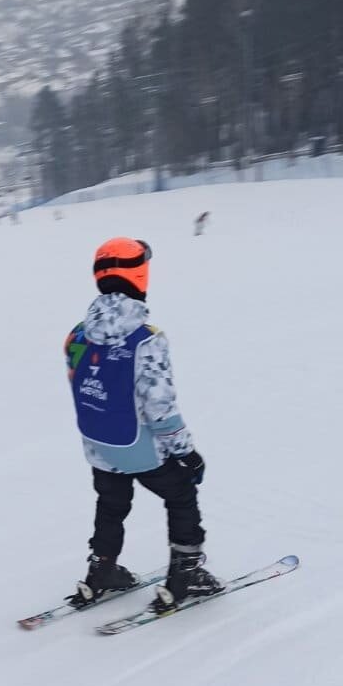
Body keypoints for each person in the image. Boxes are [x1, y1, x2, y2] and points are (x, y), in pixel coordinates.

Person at [63, 237, 221, 612]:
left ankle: (102, 570)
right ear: (139, 275)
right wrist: (186, 452)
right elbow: (160, 407)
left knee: (111, 503)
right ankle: (186, 572)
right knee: (181, 494)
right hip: (143, 448)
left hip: (100, 446)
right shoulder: (146, 339)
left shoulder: (77, 334)